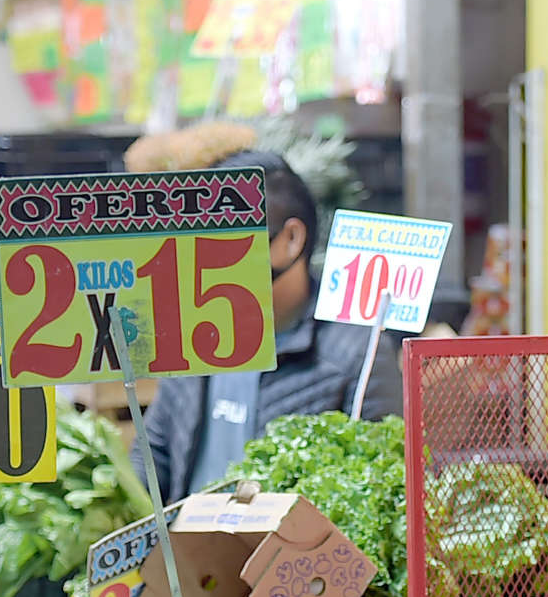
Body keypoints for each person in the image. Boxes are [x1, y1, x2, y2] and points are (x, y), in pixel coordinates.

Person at [134, 150, 403, 503]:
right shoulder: (196, 338)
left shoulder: (356, 355)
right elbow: (154, 451)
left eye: (225, 242)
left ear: (290, 240)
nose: (204, 261)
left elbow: (382, 486)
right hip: (184, 556)